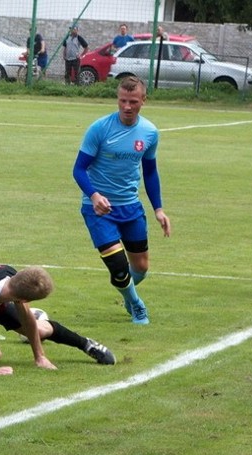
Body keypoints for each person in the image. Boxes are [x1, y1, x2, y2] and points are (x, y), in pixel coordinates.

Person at [72, 76, 171, 325]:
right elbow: (79, 169)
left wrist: (158, 209)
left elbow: (149, 171)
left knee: (140, 269)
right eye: (123, 101)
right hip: (99, 210)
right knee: (118, 265)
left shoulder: (149, 132)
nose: (127, 106)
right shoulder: (99, 128)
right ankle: (137, 305)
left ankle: (126, 291)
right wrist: (94, 196)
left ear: (143, 101)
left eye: (133, 101)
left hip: (131, 207)